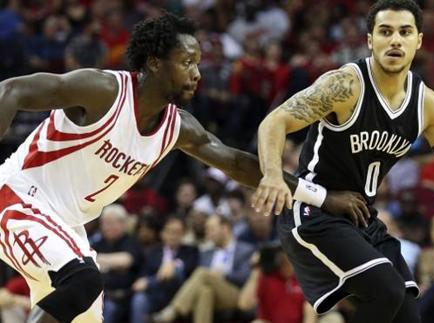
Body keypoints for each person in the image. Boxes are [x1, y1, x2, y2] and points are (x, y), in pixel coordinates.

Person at [0, 13, 368, 323]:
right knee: (81, 283)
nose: (197, 74)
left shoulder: (180, 127)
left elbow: (237, 163)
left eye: (198, 63)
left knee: (81, 308)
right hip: (17, 196)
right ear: (155, 63)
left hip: (65, 222)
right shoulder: (103, 90)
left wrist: (321, 196)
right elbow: (11, 91)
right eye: (187, 62)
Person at [252, 1, 434, 322]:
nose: (395, 40)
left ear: (418, 40)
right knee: (387, 289)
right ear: (369, 40)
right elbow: (274, 122)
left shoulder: (427, 104)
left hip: (361, 217)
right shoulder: (345, 86)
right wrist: (271, 174)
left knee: (407, 312)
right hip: (313, 209)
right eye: (385, 31)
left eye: (405, 32)